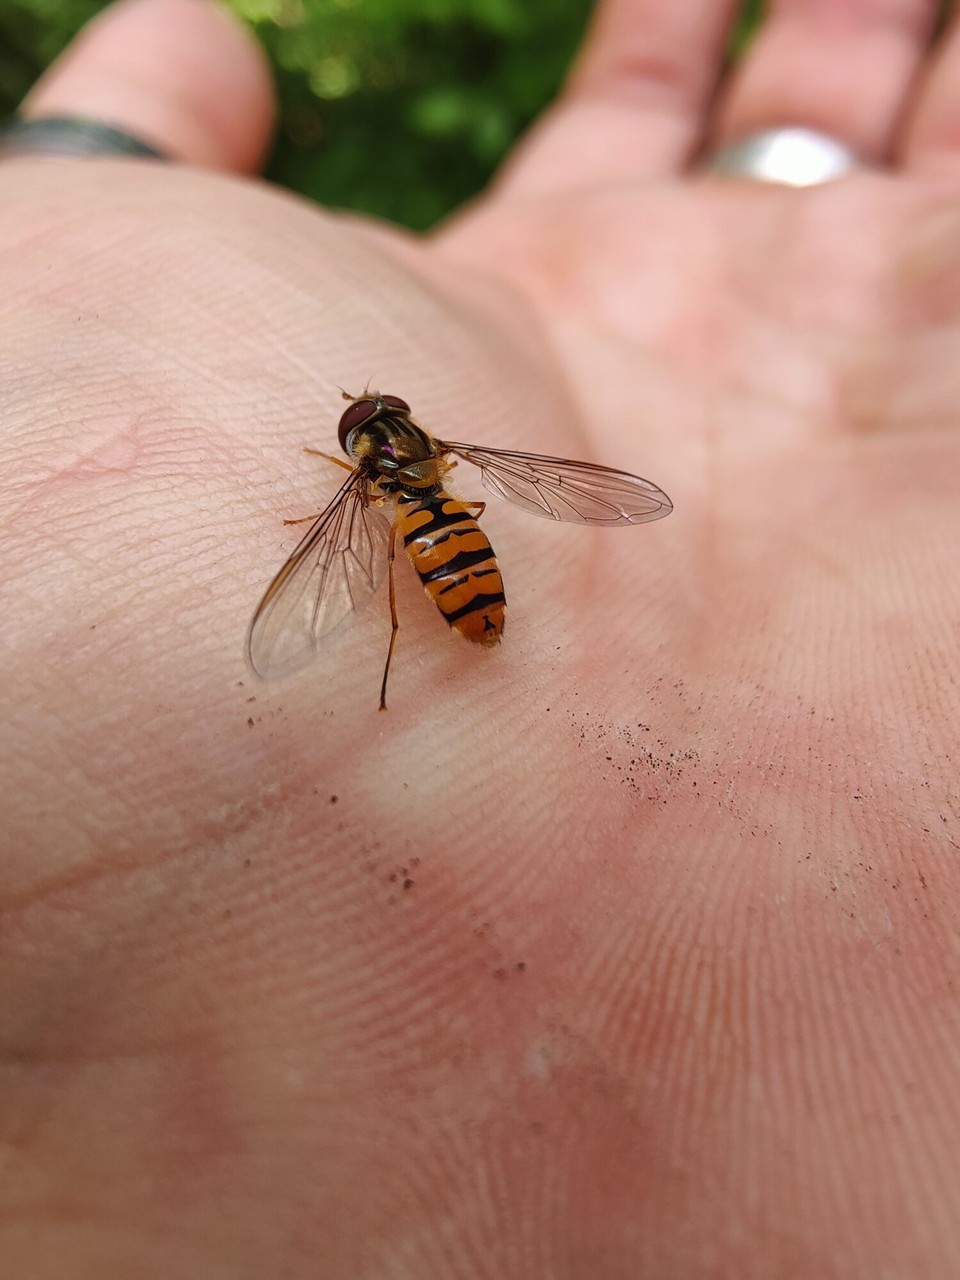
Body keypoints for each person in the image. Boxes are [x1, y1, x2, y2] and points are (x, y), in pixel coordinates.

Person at [2, 0, 958, 1275]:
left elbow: (346, 549)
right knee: (426, 538)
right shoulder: (438, 467)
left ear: (362, 454)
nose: (368, 441)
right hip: (472, 560)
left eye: (364, 437)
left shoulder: (356, 493)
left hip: (453, 583)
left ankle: (427, 624)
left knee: (393, 557)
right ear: (408, 442)